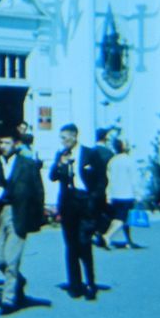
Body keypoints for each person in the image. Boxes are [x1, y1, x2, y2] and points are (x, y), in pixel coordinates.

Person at [0, 133, 46, 315]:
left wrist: (36, 218)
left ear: (16, 144)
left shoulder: (27, 165)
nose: (3, 145)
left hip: (18, 214)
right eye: (0, 142)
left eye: (7, 142)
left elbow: (38, 191)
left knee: (12, 258)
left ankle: (8, 299)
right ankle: (18, 280)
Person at [50, 123, 107, 300]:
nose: (63, 142)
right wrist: (60, 165)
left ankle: (90, 283)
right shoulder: (61, 155)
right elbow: (52, 176)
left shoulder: (90, 154)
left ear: (75, 137)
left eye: (66, 138)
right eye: (61, 138)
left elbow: (101, 180)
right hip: (68, 204)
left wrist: (94, 200)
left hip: (85, 202)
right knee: (71, 245)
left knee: (84, 243)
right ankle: (75, 284)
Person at [100, 137, 143, 250]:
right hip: (127, 194)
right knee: (121, 219)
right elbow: (134, 180)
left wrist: (108, 195)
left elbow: (109, 179)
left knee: (125, 218)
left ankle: (129, 240)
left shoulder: (112, 161)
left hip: (115, 194)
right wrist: (138, 194)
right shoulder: (129, 160)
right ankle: (107, 236)